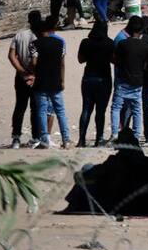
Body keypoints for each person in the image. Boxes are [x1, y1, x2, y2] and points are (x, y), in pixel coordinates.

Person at [110, 16, 148, 143]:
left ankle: (115, 134)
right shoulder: (145, 46)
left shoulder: (122, 43)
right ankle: (137, 135)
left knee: (116, 107)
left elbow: (115, 60)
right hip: (138, 82)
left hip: (123, 80)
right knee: (137, 109)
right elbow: (147, 64)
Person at [31, 17, 70, 148]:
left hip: (41, 81)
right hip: (55, 81)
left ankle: (44, 139)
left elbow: (34, 63)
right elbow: (62, 64)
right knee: (60, 111)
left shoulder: (35, 44)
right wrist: (62, 80)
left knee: (41, 111)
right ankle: (66, 139)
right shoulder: (60, 43)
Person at [77, 20, 114, 147]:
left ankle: (81, 139)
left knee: (86, 109)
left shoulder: (86, 42)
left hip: (88, 78)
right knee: (100, 111)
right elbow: (114, 60)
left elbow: (80, 60)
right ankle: (99, 139)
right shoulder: (109, 43)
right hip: (104, 79)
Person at [8, 10, 42, 148]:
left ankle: (16, 137)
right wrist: (33, 74)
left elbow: (11, 56)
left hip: (21, 77)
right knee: (35, 108)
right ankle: (36, 137)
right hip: (36, 77)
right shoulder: (40, 37)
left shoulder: (19, 35)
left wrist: (21, 72)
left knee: (20, 107)